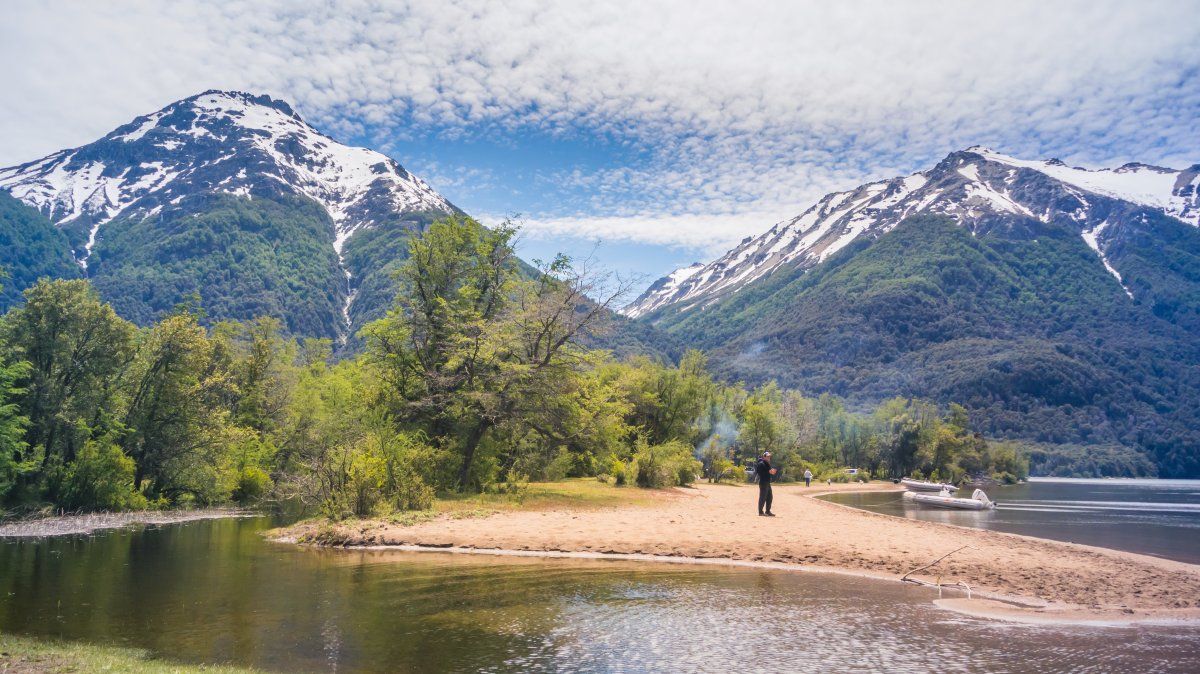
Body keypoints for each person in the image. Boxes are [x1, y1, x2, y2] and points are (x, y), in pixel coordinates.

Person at [754, 452, 777, 516]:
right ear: (764, 457)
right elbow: (760, 472)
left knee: (770, 497)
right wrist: (769, 471)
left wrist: (772, 472)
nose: (769, 457)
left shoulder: (767, 464)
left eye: (769, 456)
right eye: (767, 456)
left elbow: (769, 471)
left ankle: (767, 511)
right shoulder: (761, 464)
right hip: (763, 482)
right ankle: (760, 512)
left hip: (767, 482)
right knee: (762, 497)